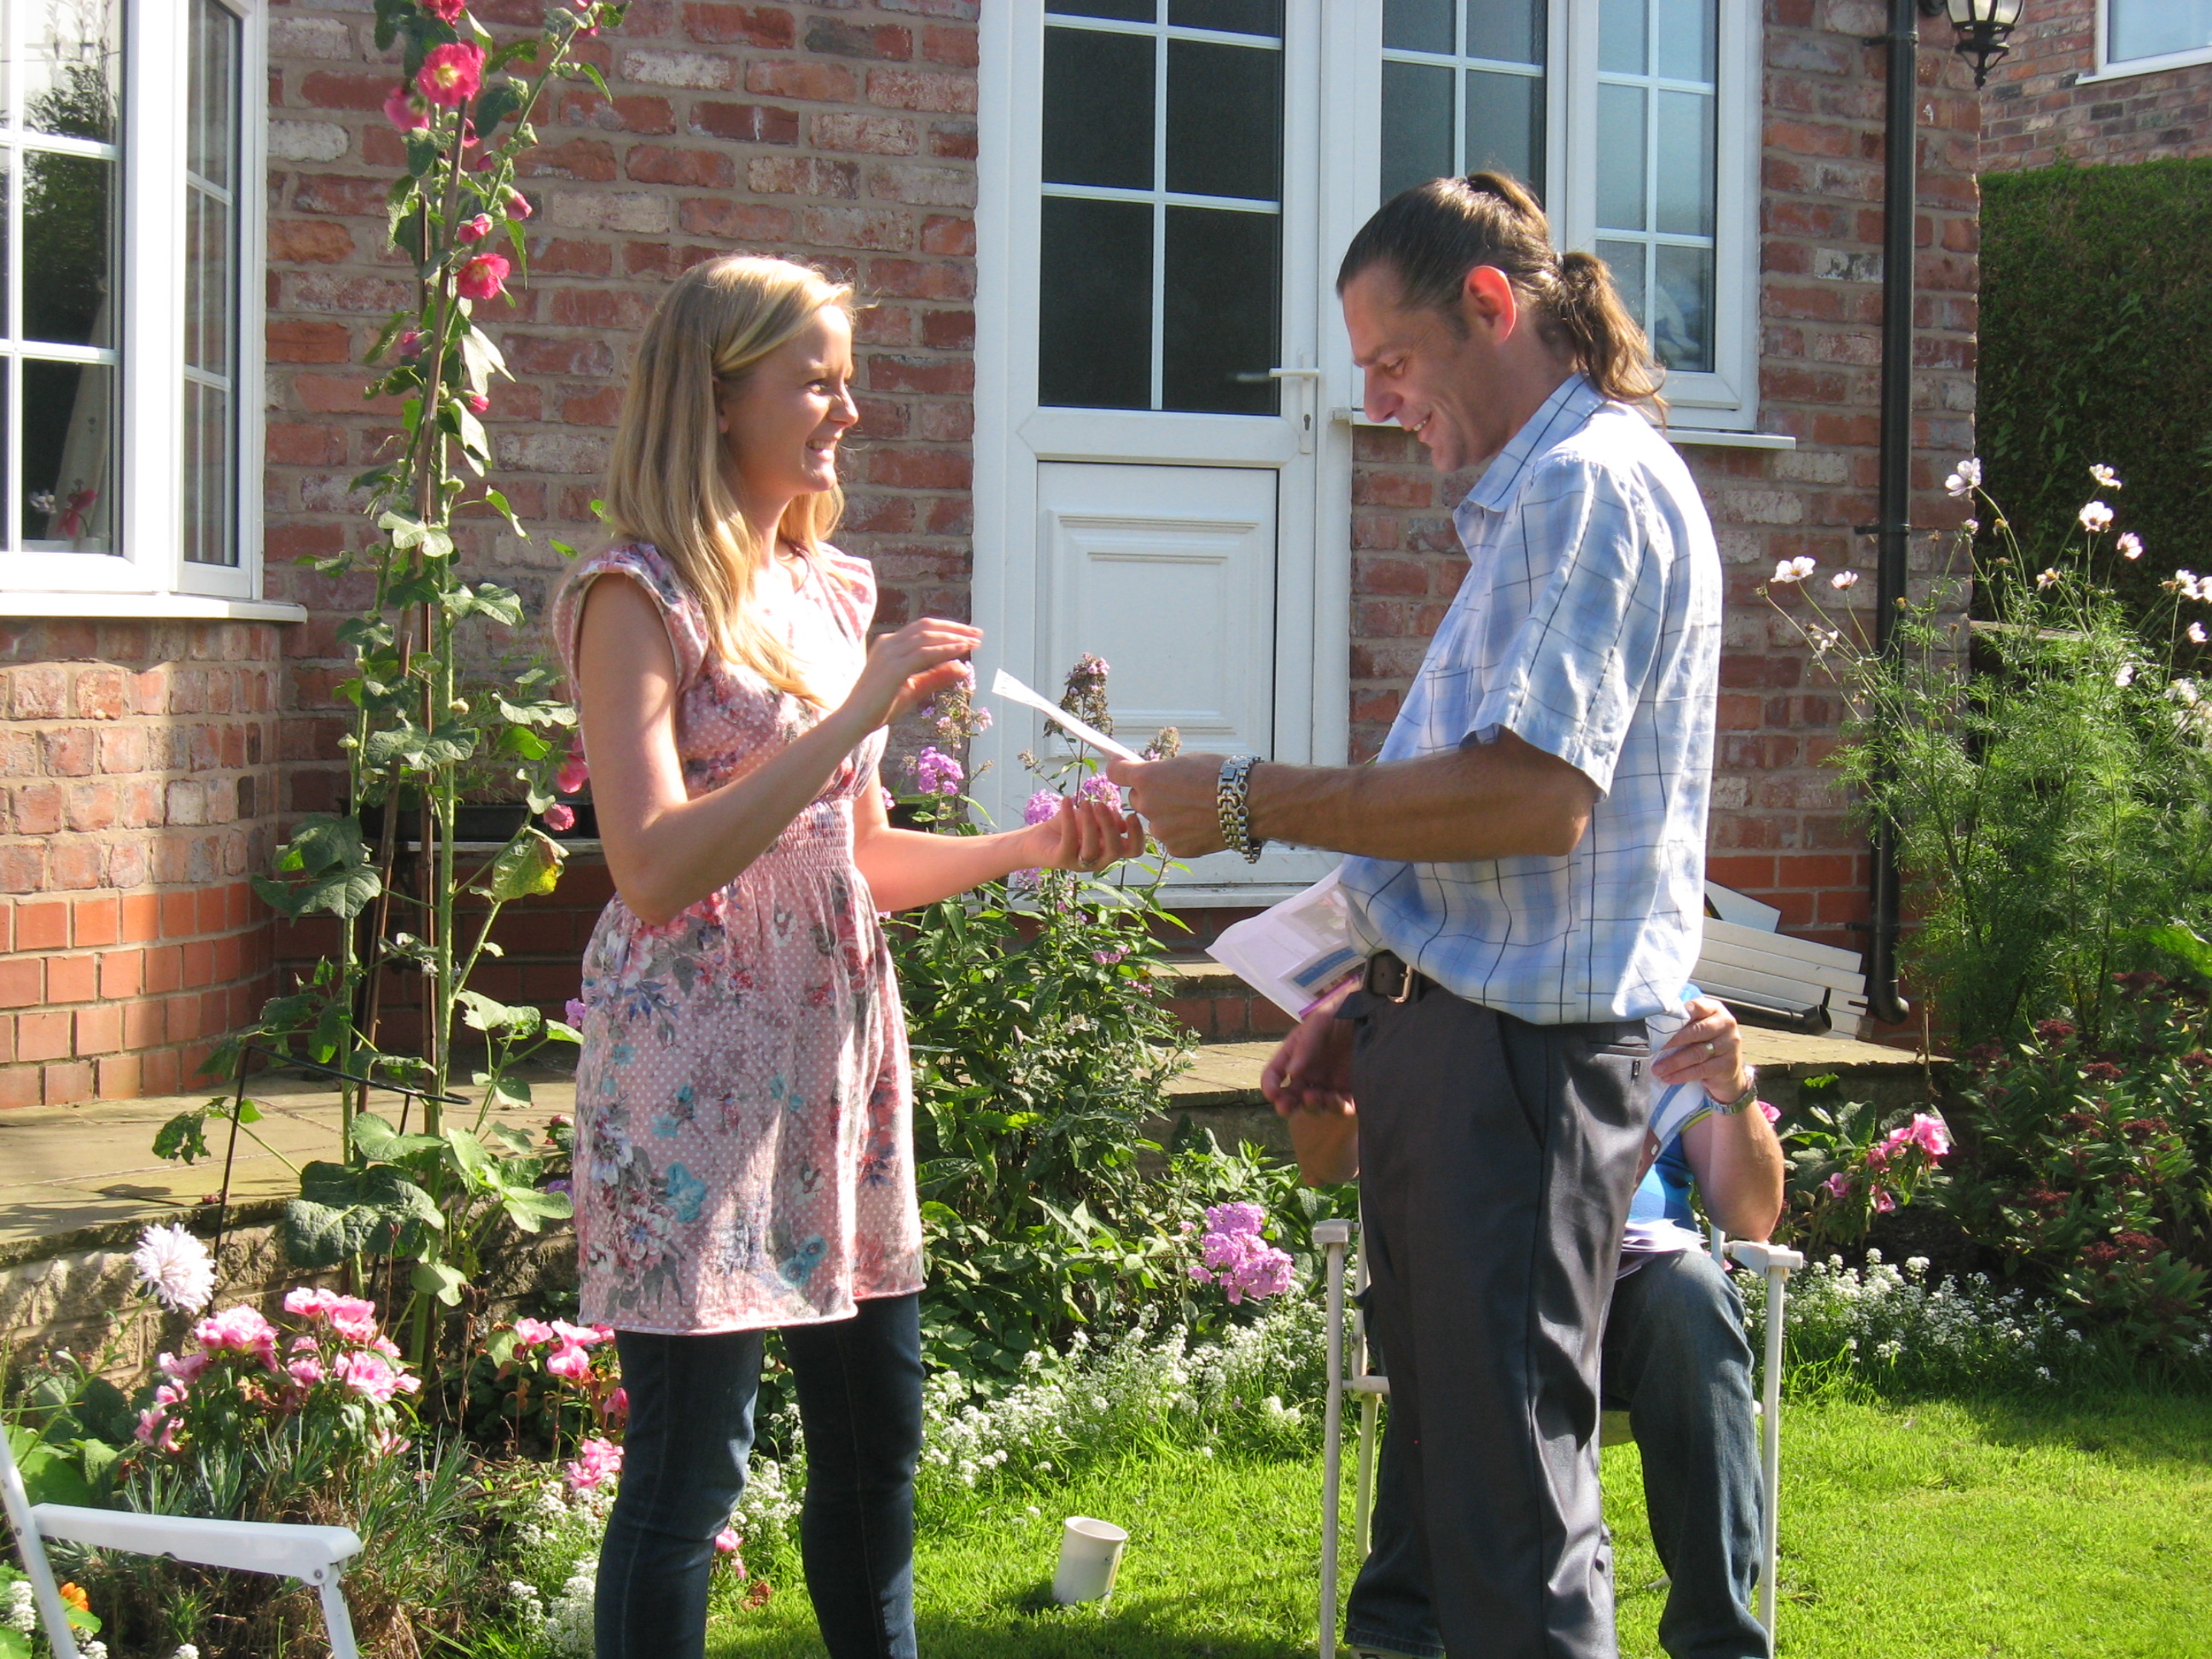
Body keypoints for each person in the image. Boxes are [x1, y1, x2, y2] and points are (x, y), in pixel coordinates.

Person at [1109, 173, 1722, 1658]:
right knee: (1456, 1494)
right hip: (1468, 1046)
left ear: (1489, 308)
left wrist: (1250, 798)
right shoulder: (1546, 494)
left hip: (1519, 1071)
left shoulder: (1588, 486)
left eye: (1388, 360)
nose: (1375, 401)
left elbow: (1530, 800)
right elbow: (1504, 843)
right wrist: (1373, 994)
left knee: (1509, 1511)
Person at [553, 255, 1144, 1659]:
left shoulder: (828, 590)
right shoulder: (635, 596)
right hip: (693, 1092)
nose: (848, 408)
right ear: (720, 389)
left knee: (877, 1444)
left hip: (833, 1077)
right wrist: (859, 700)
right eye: (815, 377)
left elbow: (858, 858)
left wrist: (1032, 845)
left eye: (842, 374)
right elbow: (651, 862)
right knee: (689, 1479)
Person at [1287, 998, 1784, 1659]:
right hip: (1471, 1259)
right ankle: (1406, 1631)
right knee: (1462, 1306)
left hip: (1635, 1271)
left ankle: (1718, 1641)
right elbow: (1324, 1164)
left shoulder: (1669, 1019)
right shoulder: (1420, 999)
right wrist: (1331, 1100)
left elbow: (1751, 1218)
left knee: (1693, 1296)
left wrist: (1732, 1086)